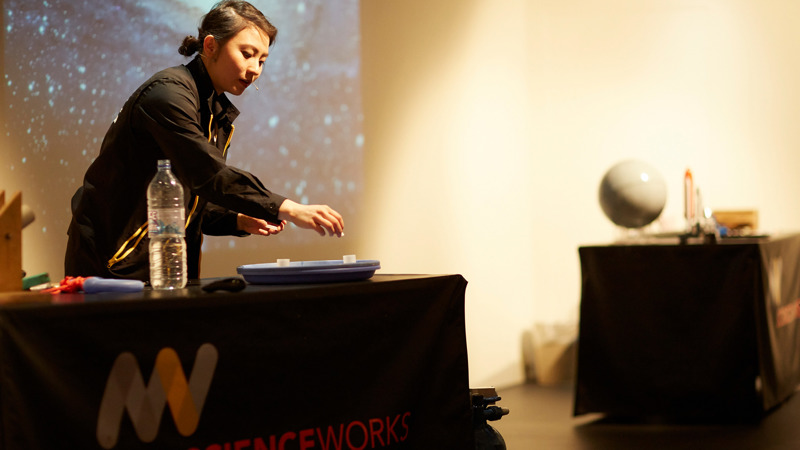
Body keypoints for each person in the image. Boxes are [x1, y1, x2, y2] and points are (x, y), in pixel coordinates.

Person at [64, 0, 344, 282]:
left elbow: (189, 199)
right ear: (210, 46)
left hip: (159, 264)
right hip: (112, 260)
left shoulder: (211, 109)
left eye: (261, 60)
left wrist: (237, 220)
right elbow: (209, 176)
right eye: (247, 54)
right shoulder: (168, 95)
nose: (255, 69)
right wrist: (289, 208)